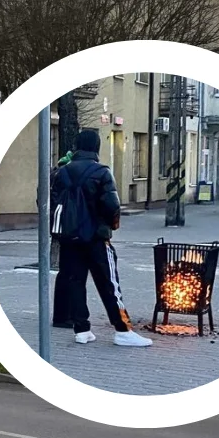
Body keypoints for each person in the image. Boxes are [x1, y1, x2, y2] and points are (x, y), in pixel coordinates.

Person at [50, 130, 151, 347]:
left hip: (69, 238)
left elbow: (51, 201)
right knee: (109, 283)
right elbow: (112, 205)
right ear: (96, 147)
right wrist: (109, 226)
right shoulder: (101, 172)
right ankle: (123, 330)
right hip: (95, 238)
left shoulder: (61, 173)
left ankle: (82, 330)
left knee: (75, 282)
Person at [51, 150, 74, 328]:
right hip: (67, 228)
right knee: (69, 273)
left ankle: (64, 315)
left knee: (66, 272)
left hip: (59, 227)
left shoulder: (54, 174)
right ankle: (63, 316)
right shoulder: (64, 176)